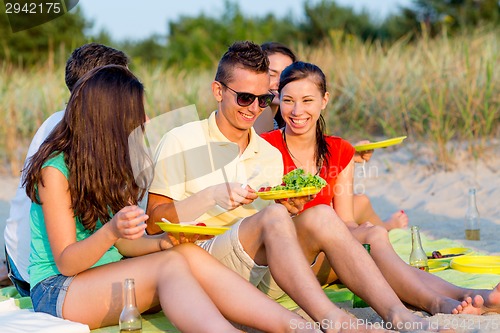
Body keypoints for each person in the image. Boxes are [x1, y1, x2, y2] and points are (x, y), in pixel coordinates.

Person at [146, 41, 440, 332]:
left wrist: (289, 209)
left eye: (262, 100)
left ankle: (398, 314)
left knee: (321, 214)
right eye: (245, 98)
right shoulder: (181, 140)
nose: (254, 110)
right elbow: (154, 224)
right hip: (205, 263)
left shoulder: (269, 154)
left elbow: (270, 226)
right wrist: (211, 196)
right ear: (218, 91)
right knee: (275, 217)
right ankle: (333, 319)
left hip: (264, 274)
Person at [22, 64, 320, 332]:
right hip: (59, 289)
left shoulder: (112, 162)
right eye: (136, 110)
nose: (147, 118)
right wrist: (112, 229)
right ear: (109, 118)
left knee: (185, 254)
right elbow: (67, 262)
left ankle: (292, 326)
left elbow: (124, 244)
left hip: (102, 273)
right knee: (169, 267)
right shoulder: (56, 171)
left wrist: (164, 242)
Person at [261, 60, 500, 316]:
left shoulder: (340, 150)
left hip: (327, 253)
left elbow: (346, 221)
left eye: (307, 100)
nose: (297, 111)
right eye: (288, 101)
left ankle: (470, 296)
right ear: (279, 100)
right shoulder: (265, 147)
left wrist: (365, 230)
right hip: (287, 259)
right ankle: (437, 303)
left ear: (324, 100)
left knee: (373, 237)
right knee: (373, 246)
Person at [3, 43, 130, 297]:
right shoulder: (63, 136)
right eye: (119, 84)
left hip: (53, 253)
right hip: (42, 270)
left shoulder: (76, 126)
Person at [253, 41, 407, 231]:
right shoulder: (261, 114)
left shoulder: (286, 113)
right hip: (281, 219)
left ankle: (383, 228)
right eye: (272, 74)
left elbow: (310, 147)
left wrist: (349, 154)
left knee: (359, 202)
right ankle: (384, 228)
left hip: (306, 208)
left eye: (286, 72)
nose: (280, 81)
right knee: (354, 206)